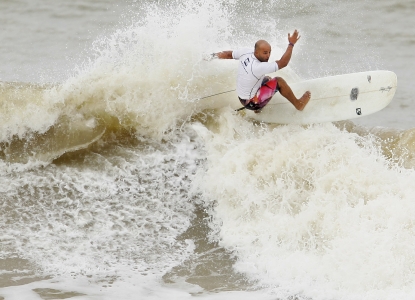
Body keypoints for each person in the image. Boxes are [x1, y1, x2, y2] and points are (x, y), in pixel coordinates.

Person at [210, 30, 311, 113]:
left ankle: (258, 108)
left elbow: (229, 54)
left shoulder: (246, 52)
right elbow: (283, 63)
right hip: (251, 102)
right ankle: (298, 105)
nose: (268, 56)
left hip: (242, 98)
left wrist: (213, 56)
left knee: (267, 79)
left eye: (269, 52)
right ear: (256, 52)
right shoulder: (258, 67)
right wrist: (291, 44)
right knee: (279, 81)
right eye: (265, 53)